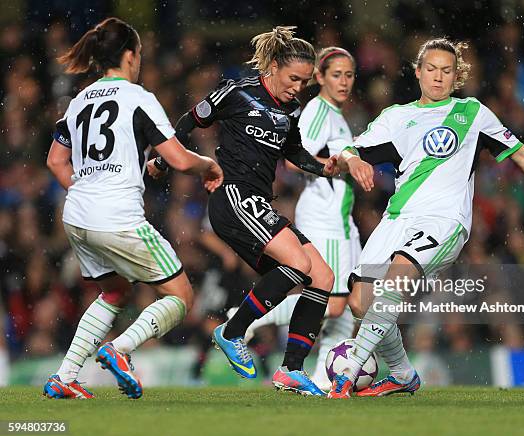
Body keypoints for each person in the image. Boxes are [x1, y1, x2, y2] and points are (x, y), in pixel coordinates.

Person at [327, 38, 524, 398]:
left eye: (446, 71)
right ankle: (402, 374)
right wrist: (352, 161)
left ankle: (346, 376)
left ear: (456, 76)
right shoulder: (396, 117)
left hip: (444, 221)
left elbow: (522, 155)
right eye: (431, 69)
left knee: (396, 281)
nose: (438, 77)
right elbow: (351, 148)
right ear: (418, 72)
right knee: (362, 302)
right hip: (396, 220)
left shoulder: (473, 113)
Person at [149, 26, 339, 396]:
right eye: (293, 78)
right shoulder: (238, 92)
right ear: (272, 67)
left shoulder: (291, 108)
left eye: (304, 81)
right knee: (298, 265)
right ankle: (233, 331)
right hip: (232, 195)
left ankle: (291, 369)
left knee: (323, 277)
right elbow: (191, 120)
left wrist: (322, 165)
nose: (298, 87)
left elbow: (294, 152)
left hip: (258, 202)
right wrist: (162, 157)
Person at [43, 17, 223, 399]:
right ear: (129, 55)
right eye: (138, 53)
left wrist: (89, 190)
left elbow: (56, 162)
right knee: (181, 296)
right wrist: (208, 164)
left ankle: (64, 375)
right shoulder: (137, 97)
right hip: (116, 215)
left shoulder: (79, 101)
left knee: (115, 290)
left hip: (76, 214)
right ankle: (120, 349)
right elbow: (175, 157)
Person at [241, 47, 360, 391]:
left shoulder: (334, 113)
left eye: (349, 75)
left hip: (342, 219)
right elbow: (293, 159)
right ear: (319, 77)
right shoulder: (320, 110)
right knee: (334, 304)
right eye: (335, 74)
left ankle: (325, 379)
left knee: (353, 303)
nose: (343, 81)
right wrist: (337, 163)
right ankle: (247, 319)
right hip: (326, 218)